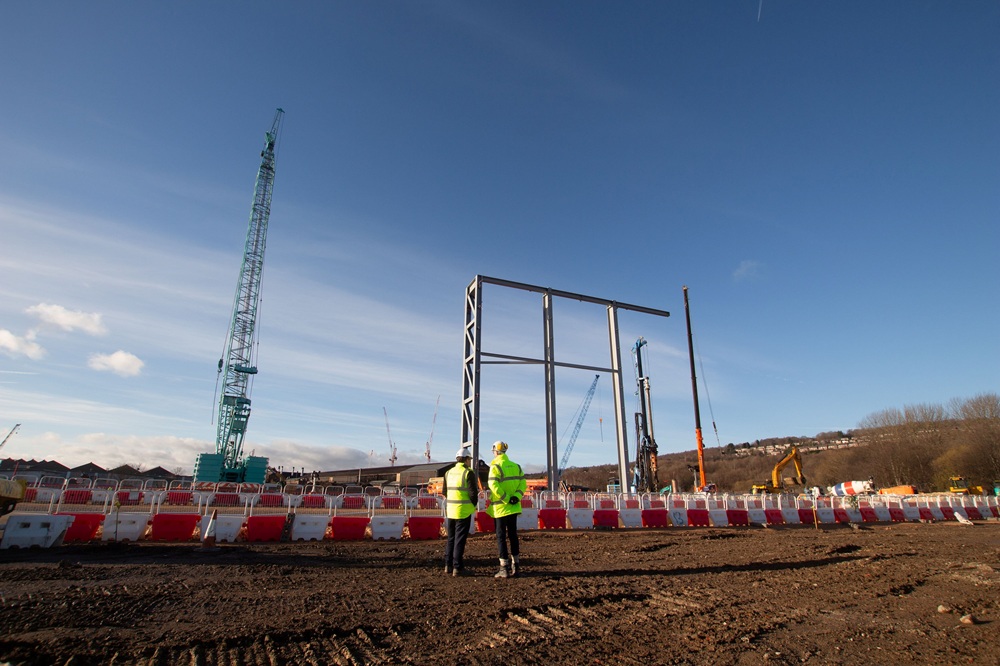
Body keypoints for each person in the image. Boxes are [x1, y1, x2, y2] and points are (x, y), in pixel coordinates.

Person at [487, 440, 526, 578]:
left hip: (501, 508)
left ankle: (504, 568)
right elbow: (523, 483)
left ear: (496, 452)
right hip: (514, 508)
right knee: (513, 536)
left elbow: (493, 485)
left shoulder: (495, 467)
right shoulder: (517, 466)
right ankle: (516, 565)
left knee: (501, 537)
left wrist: (506, 498)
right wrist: (516, 497)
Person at [442, 446, 477, 576]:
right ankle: (458, 567)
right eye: (469, 459)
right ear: (467, 459)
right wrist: (473, 506)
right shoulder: (468, 473)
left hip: (450, 510)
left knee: (451, 538)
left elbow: (444, 491)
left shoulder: (448, 472)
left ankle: (448, 565)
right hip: (463, 511)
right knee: (459, 540)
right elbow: (473, 493)